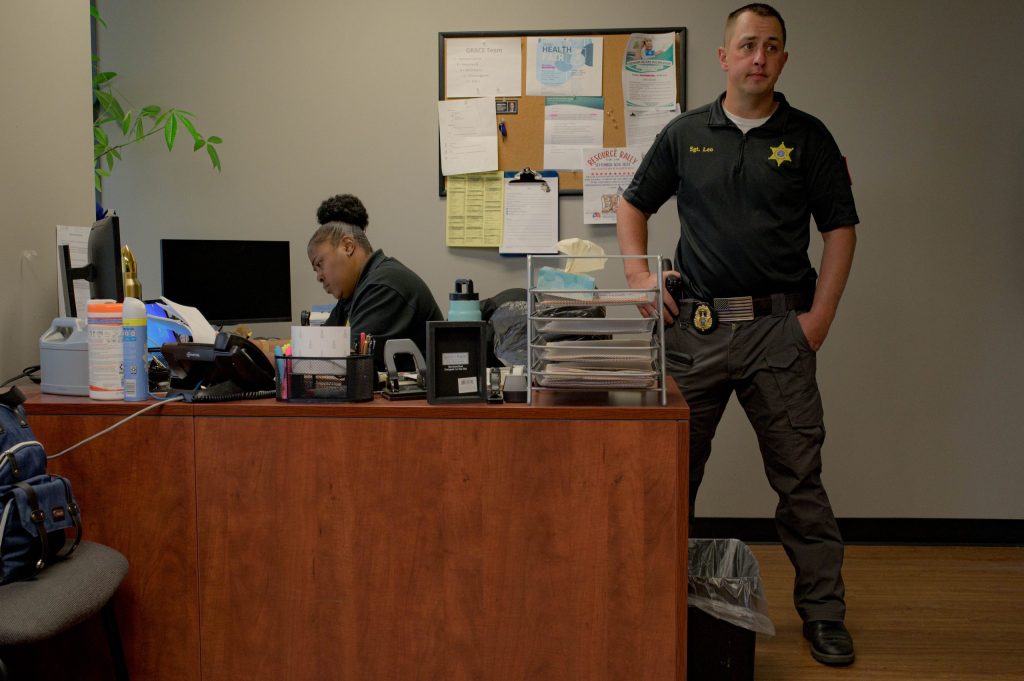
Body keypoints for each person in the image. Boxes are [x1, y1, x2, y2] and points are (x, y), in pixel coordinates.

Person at [616, 3, 858, 667]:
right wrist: (640, 275)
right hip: (694, 332)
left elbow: (841, 229)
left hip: (780, 332)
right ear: (723, 56)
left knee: (800, 480)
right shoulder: (685, 133)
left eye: (772, 46)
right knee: (671, 475)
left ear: (783, 59)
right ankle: (654, 600)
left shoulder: (807, 137)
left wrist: (820, 318)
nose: (759, 56)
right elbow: (632, 203)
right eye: (748, 45)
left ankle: (824, 615)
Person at [308, 219, 442, 371]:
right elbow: (320, 346)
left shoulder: (383, 285)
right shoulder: (353, 292)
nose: (318, 277)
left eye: (319, 264)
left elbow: (349, 365)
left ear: (348, 246)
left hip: (419, 394)